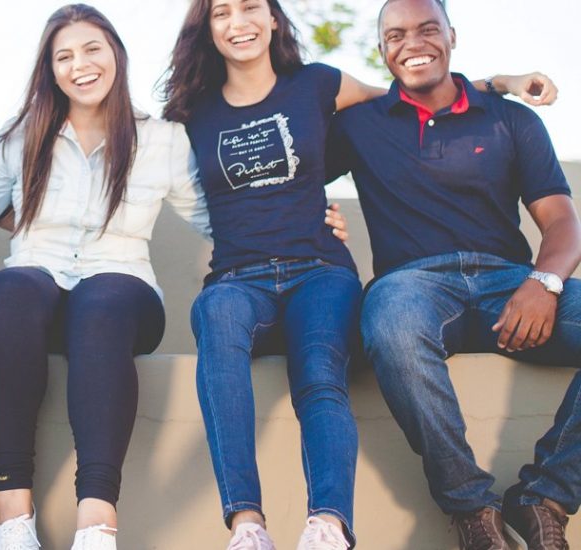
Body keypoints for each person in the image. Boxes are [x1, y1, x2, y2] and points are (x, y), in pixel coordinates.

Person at [160, 1, 557, 548]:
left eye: (252, 6)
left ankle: (335, 524)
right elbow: (184, 184)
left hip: (355, 272)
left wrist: (502, 82)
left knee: (321, 373)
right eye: (222, 12)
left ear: (274, 18)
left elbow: (417, 88)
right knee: (224, 324)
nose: (239, 21)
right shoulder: (200, 112)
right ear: (207, 28)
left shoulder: (322, 85)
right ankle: (249, 525)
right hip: (289, 279)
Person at [0, 4, 214, 549]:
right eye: (63, 56)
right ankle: (13, 518)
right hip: (35, 288)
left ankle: (96, 525)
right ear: (50, 70)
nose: (80, 64)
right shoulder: (18, 139)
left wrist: (302, 224)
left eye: (92, 49)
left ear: (116, 52)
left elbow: (220, 220)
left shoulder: (163, 140)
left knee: (102, 300)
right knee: (9, 290)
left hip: (123, 291)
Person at [328, 0, 580, 548]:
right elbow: (285, 165)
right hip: (412, 286)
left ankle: (546, 496)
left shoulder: (511, 117)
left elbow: (561, 220)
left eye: (427, 29)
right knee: (390, 326)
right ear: (382, 50)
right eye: (396, 35)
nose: (412, 43)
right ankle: (471, 508)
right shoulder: (357, 125)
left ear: (452, 36)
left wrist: (544, 282)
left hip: (509, 284)